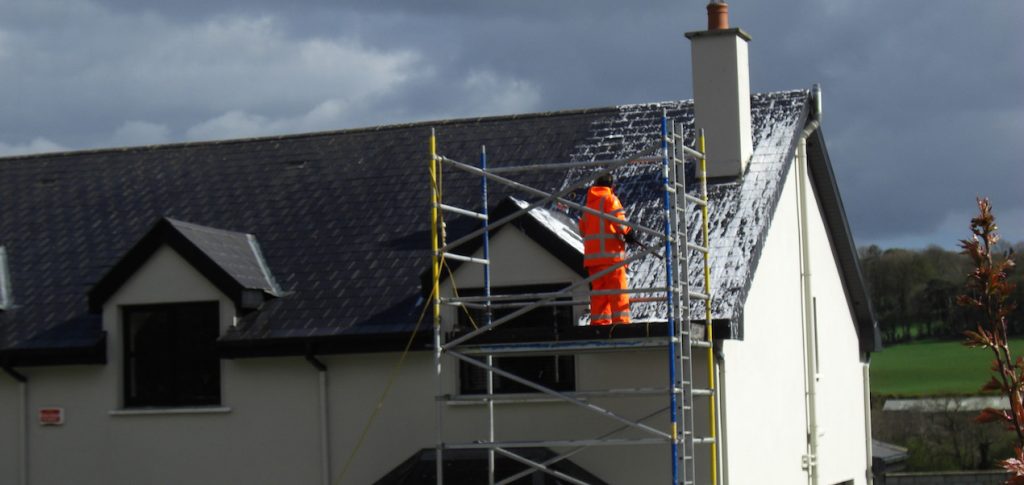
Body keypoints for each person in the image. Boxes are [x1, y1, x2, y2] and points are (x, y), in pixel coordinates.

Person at [578, 173, 637, 325]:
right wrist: (629, 233)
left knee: (599, 296)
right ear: (612, 186)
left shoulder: (588, 206)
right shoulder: (610, 199)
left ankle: (599, 326)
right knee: (618, 294)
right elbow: (619, 222)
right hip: (612, 259)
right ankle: (621, 325)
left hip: (593, 261)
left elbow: (583, 231)